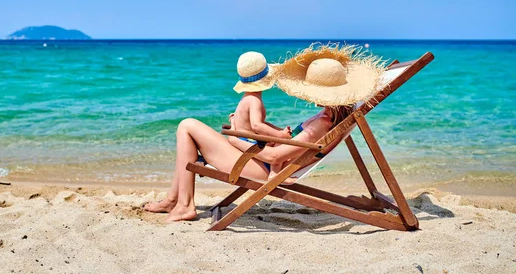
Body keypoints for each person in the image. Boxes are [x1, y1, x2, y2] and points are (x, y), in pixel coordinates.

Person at [143, 44, 384, 223]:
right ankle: (174, 200)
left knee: (187, 126)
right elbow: (283, 145)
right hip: (260, 158)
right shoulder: (331, 117)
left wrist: (236, 139)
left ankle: (183, 204)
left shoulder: (320, 124)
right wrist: (266, 132)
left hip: (260, 167)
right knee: (188, 129)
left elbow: (274, 158)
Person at [229, 51, 291, 147]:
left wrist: (280, 130)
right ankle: (280, 162)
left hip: (244, 139)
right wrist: (281, 135)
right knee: (282, 145)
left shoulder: (247, 97)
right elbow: (256, 126)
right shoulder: (254, 100)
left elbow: (256, 123)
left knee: (276, 140)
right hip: (249, 144)